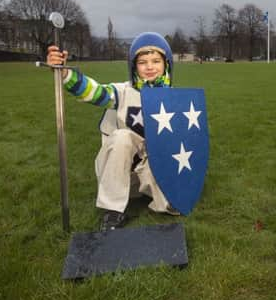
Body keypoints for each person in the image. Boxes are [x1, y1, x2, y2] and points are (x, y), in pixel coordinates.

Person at [46, 32, 179, 231]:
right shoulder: (122, 92)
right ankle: (113, 210)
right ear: (133, 66)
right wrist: (66, 74)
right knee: (123, 136)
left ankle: (168, 198)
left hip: (152, 176)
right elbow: (95, 92)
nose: (150, 67)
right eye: (142, 62)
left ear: (166, 63)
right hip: (121, 173)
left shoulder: (178, 100)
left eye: (156, 61)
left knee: (163, 146)